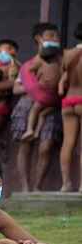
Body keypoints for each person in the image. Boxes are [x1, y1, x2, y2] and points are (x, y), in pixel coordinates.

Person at [10, 23, 64, 192]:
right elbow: (16, 88)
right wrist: (36, 87)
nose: (55, 39)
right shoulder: (28, 65)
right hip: (27, 105)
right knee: (25, 145)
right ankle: (25, 188)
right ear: (38, 38)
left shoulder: (61, 61)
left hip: (51, 106)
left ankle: (38, 186)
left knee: (46, 146)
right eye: (50, 35)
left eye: (56, 36)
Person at [20, 42, 62, 141]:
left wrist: (37, 75)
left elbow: (30, 69)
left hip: (44, 97)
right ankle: (37, 132)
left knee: (34, 110)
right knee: (43, 114)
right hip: (56, 99)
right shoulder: (61, 65)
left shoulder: (42, 65)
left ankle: (30, 129)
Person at [59, 23, 82, 192]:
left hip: (68, 100)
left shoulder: (67, 54)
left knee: (68, 143)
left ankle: (65, 184)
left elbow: (62, 81)